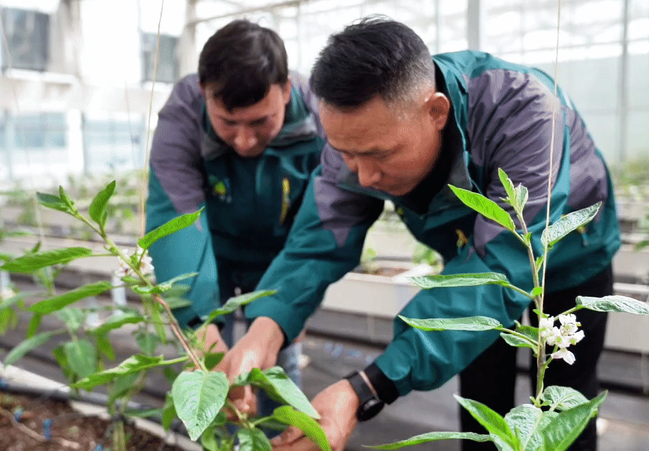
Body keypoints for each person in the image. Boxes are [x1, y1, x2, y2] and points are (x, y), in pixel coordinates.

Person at [216, 16, 622, 451]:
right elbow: (318, 241)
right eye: (345, 154)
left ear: (436, 112)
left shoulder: (525, 111)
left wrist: (364, 388)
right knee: (483, 401)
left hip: (569, 259)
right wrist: (265, 330)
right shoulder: (359, 139)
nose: (364, 176)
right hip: (468, 261)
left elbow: (501, 268)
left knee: (563, 402)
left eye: (379, 155)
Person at [145, 19, 325, 412]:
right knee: (203, 369)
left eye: (261, 122)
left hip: (280, 259)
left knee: (277, 363)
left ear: (286, 90)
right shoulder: (183, 117)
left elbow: (324, 225)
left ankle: (280, 431)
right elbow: (174, 221)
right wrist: (202, 334)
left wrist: (291, 306)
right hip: (210, 256)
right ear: (203, 93)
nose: (245, 141)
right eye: (228, 123)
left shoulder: (320, 116)